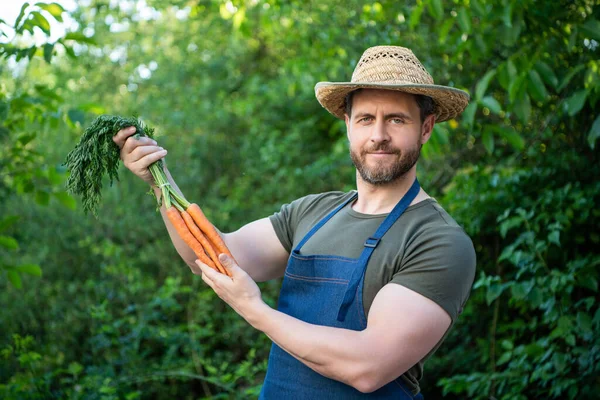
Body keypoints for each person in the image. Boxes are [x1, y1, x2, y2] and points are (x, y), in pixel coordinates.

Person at [113, 45, 476, 399]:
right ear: (348, 125)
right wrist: (160, 181)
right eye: (366, 118)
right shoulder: (313, 213)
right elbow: (207, 257)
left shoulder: (438, 240)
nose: (378, 135)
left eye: (396, 119)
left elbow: (368, 366)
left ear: (426, 128)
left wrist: (255, 311)